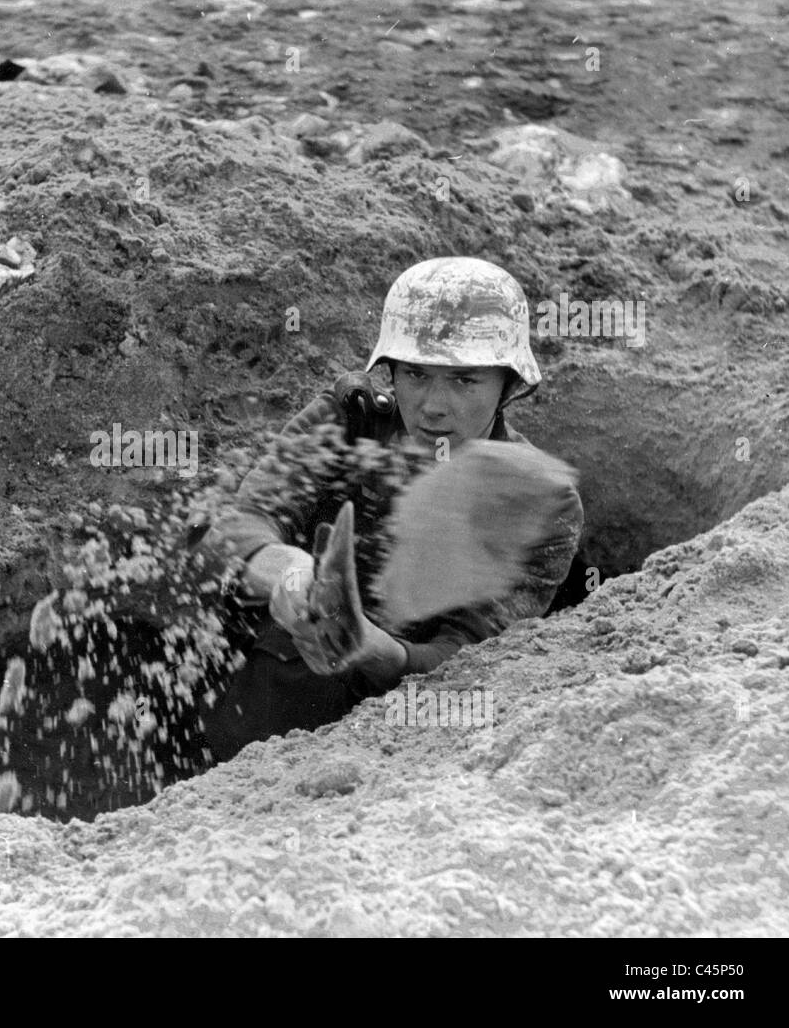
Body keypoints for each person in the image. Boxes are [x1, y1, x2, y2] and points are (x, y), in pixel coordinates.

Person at [197, 257, 584, 761]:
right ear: (391, 372)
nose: (432, 405)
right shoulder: (349, 424)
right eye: (416, 374)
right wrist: (292, 574)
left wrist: (368, 645)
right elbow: (237, 528)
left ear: (508, 385)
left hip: (409, 746)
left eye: (465, 380)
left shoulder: (538, 502)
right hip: (265, 695)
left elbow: (472, 660)